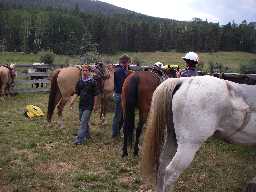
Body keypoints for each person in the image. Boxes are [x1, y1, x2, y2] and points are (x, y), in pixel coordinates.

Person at [70, 65, 99, 145]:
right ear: (82, 71)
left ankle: (79, 140)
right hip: (81, 105)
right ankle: (87, 135)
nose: (85, 72)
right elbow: (77, 92)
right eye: (83, 70)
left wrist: (95, 105)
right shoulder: (79, 82)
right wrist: (72, 101)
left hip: (89, 105)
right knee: (83, 121)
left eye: (86, 70)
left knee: (83, 122)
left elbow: (96, 94)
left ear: (89, 72)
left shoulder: (93, 82)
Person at [112, 54, 130, 138]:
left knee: (118, 115)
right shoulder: (121, 71)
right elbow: (122, 84)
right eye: (128, 63)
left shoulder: (117, 70)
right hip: (121, 94)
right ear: (126, 63)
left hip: (117, 94)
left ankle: (116, 132)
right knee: (120, 115)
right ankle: (117, 133)